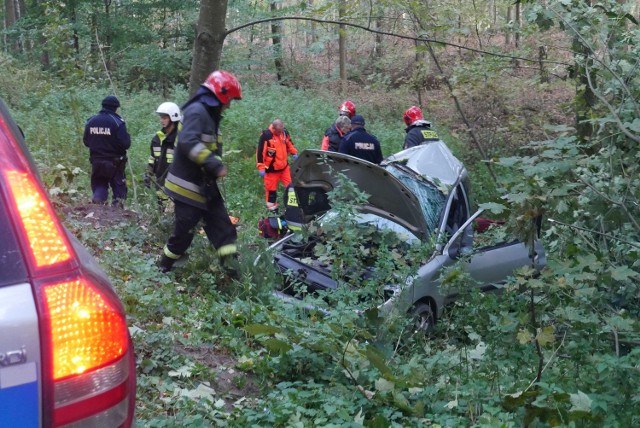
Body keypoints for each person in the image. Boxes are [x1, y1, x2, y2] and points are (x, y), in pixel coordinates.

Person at [158, 70, 242, 277]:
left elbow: (210, 148)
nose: (229, 105)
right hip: (188, 188)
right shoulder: (197, 111)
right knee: (183, 234)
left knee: (224, 229)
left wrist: (214, 168)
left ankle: (234, 273)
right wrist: (214, 165)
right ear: (220, 95)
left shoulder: (210, 116)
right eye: (229, 99)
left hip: (205, 187)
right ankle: (162, 267)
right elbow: (188, 142)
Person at [83, 95, 131, 207]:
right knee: (119, 192)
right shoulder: (118, 122)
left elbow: (86, 141)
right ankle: (117, 216)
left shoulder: (91, 121)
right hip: (115, 163)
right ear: (116, 108)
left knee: (100, 185)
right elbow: (125, 144)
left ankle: (98, 210)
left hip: (96, 162)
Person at [256, 118, 298, 212]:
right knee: (271, 191)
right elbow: (260, 152)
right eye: (278, 131)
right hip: (271, 170)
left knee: (292, 186)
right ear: (273, 128)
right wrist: (261, 167)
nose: (280, 133)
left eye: (281, 131)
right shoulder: (266, 136)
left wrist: (293, 152)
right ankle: (272, 210)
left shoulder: (284, 133)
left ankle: (294, 206)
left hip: (284, 168)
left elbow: (289, 143)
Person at [145, 102, 182, 208]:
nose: (162, 120)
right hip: (160, 184)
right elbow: (152, 158)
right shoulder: (157, 138)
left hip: (176, 186)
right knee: (161, 210)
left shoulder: (180, 139)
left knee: (172, 213)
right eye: (161, 117)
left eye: (165, 118)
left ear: (173, 118)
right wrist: (148, 173)